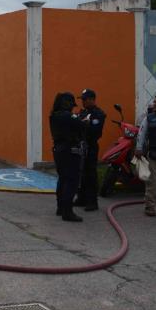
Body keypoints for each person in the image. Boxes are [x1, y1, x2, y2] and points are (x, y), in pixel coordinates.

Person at [49, 92, 86, 222]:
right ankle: (67, 211)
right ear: (67, 103)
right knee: (71, 181)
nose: (72, 107)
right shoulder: (67, 116)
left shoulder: (54, 115)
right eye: (71, 105)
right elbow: (82, 126)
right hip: (69, 151)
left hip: (58, 150)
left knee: (63, 179)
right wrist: (83, 120)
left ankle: (60, 207)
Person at [74, 89, 106, 211]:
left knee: (90, 173)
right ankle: (81, 198)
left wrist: (84, 124)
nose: (82, 102)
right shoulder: (83, 112)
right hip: (80, 146)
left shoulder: (98, 114)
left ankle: (92, 201)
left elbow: (95, 132)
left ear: (92, 99)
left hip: (90, 145)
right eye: (82, 99)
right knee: (80, 173)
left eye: (84, 99)